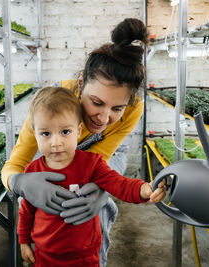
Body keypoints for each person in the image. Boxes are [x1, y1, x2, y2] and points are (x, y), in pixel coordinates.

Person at [2, 18, 153, 266]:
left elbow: (101, 159)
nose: (103, 118)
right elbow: (14, 164)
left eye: (117, 108)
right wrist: (19, 182)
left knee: (97, 209)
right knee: (40, 196)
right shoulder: (50, 108)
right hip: (59, 151)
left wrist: (104, 190)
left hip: (104, 155)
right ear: (81, 83)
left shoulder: (133, 109)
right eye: (96, 102)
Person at [17, 86, 166, 266]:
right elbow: (26, 211)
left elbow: (120, 184)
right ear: (35, 134)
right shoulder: (33, 172)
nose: (56, 143)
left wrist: (144, 189)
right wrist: (24, 242)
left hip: (85, 256)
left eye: (65, 132)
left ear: (78, 131)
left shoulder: (92, 164)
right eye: (46, 134)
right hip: (45, 255)